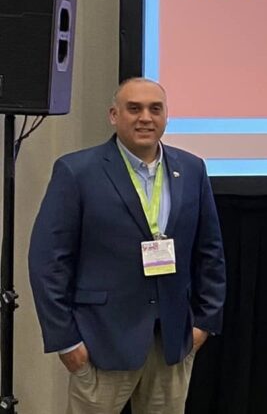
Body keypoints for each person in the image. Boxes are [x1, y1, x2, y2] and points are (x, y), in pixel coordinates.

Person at [28, 78, 226, 414]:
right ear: (113, 115)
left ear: (166, 116)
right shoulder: (77, 171)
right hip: (100, 343)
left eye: (155, 109)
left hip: (171, 341)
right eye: (134, 108)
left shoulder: (192, 169)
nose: (145, 117)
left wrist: (204, 323)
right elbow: (48, 261)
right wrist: (66, 341)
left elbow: (210, 251)